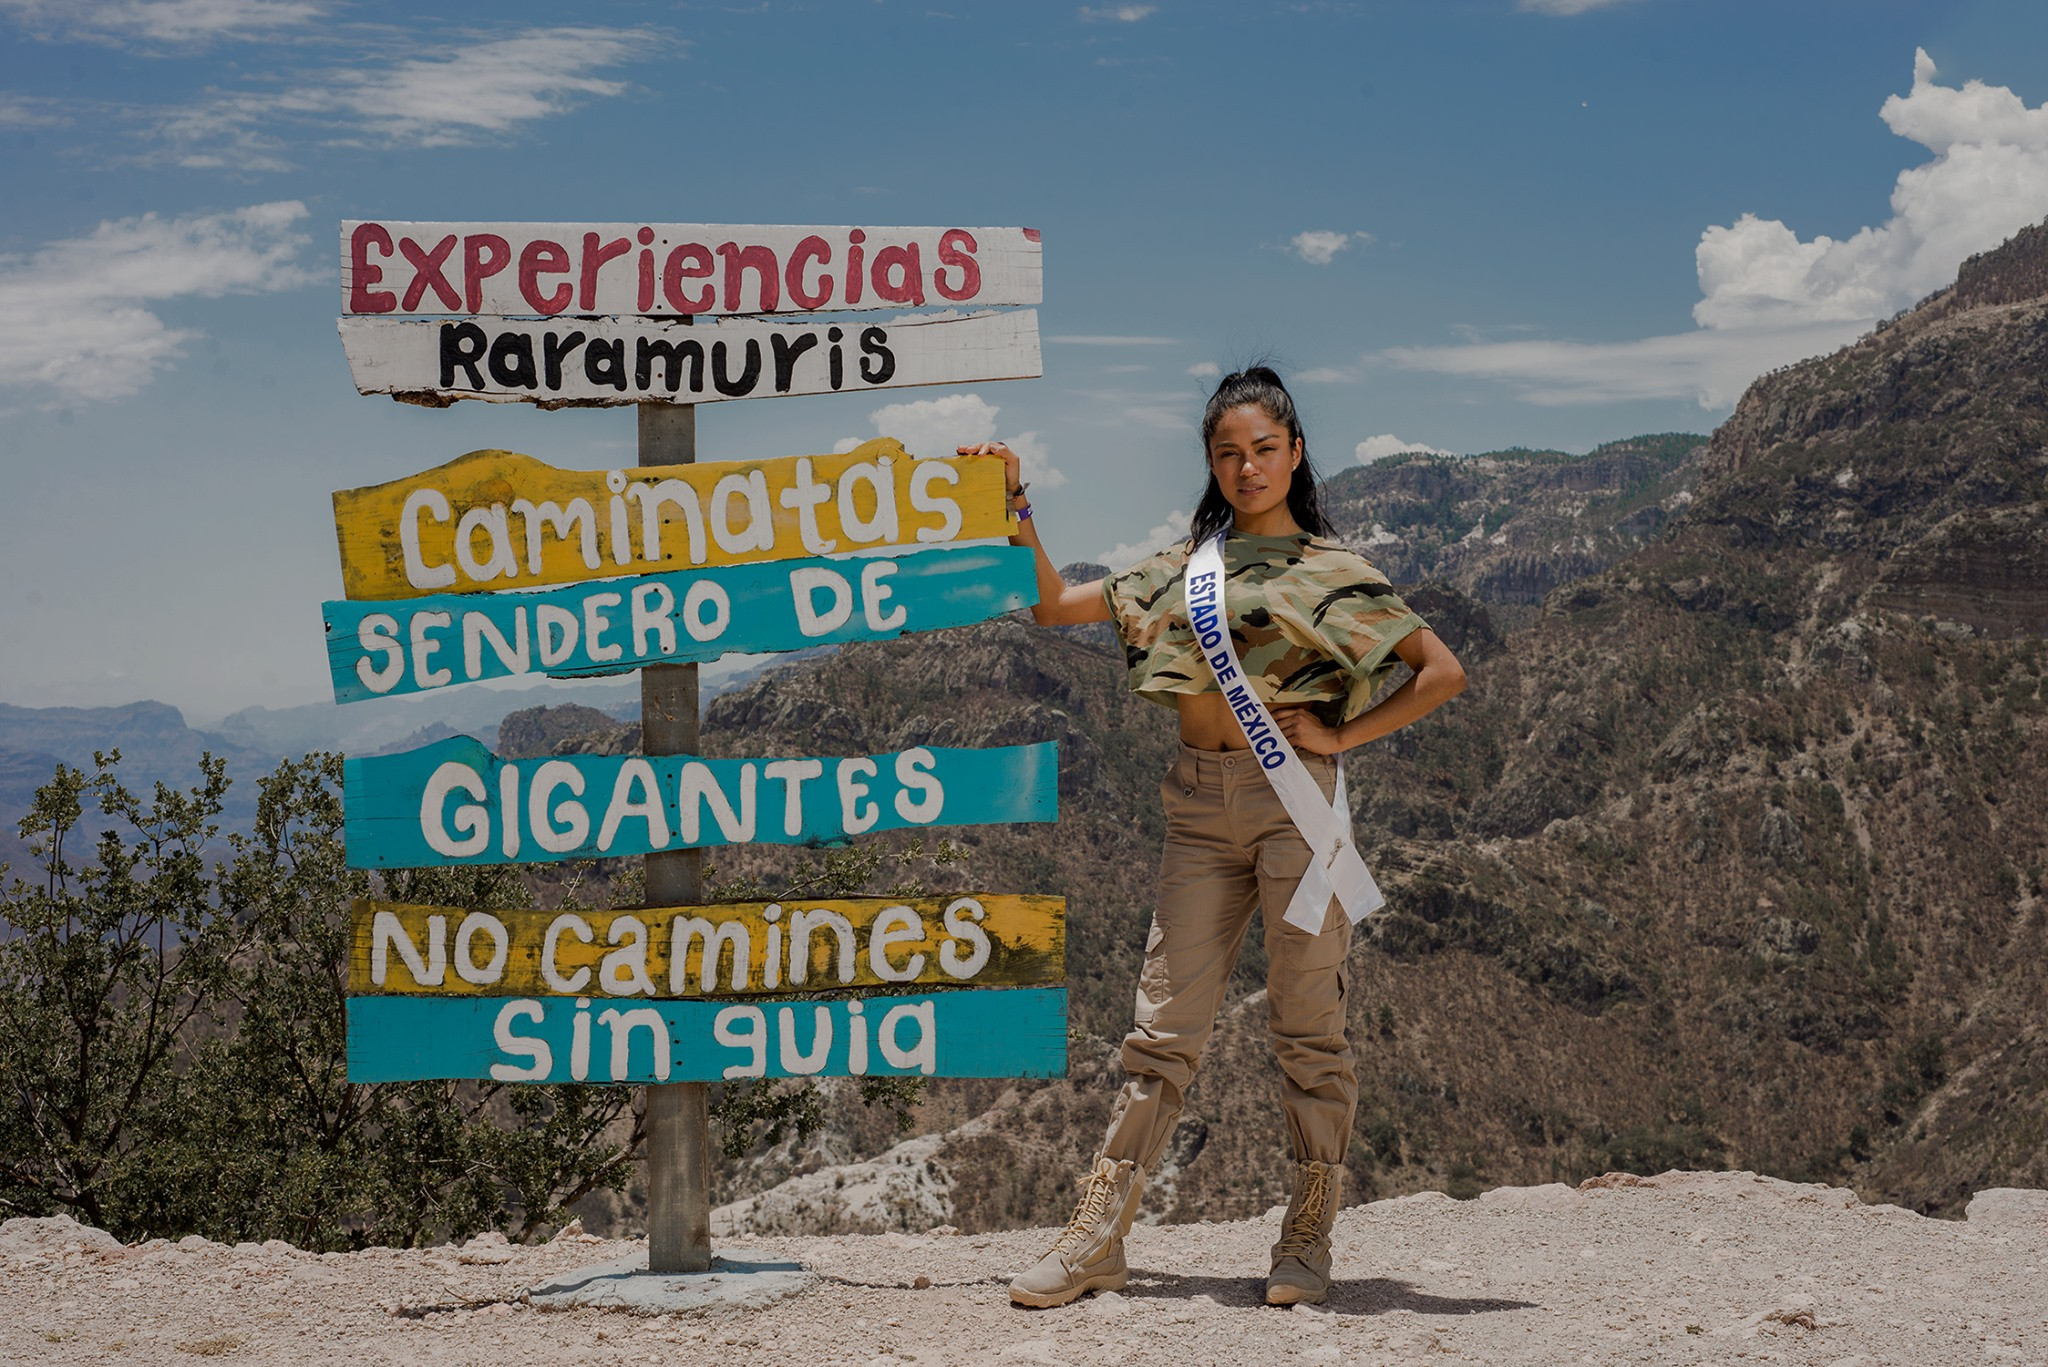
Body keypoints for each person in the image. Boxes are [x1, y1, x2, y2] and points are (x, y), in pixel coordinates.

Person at [961, 366, 1467, 1309]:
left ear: (1295, 452)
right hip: (1196, 807)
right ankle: (1098, 1237)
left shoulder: (1334, 571)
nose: (1247, 467)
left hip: (1296, 808)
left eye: (1264, 449)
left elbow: (1439, 671)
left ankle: (1307, 1231)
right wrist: (1014, 503)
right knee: (1162, 1029)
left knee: (1309, 1027)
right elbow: (1053, 607)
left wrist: (1343, 735)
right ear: (1210, 461)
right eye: (1228, 452)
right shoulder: (1181, 568)